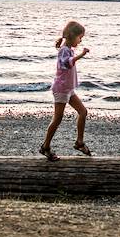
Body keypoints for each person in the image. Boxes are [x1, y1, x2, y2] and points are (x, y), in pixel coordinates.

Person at [40, 20, 91, 161]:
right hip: (61, 89)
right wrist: (81, 55)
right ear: (72, 36)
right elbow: (66, 64)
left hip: (68, 89)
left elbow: (69, 61)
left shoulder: (69, 50)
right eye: (80, 37)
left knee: (83, 111)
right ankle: (45, 147)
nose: (80, 41)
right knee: (57, 119)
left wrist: (77, 54)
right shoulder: (64, 50)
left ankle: (79, 143)